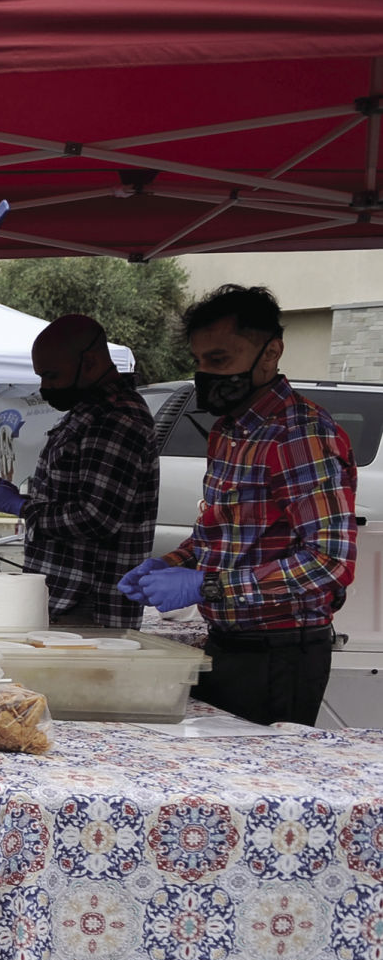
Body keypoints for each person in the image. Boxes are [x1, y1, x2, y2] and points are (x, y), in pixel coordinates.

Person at [119, 285, 357, 726]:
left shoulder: (300, 435)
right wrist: (168, 564)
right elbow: (222, 530)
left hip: (282, 652)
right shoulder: (230, 431)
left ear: (271, 353)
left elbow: (329, 561)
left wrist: (203, 586)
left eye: (220, 360)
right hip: (229, 643)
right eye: (200, 361)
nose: (205, 374)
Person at [0, 314, 160, 628]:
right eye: (41, 376)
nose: (45, 387)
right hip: (65, 596)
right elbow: (72, 497)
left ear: (91, 362)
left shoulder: (116, 419)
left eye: (52, 375)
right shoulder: (88, 413)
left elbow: (96, 518)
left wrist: (21, 506)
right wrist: (17, 496)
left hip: (89, 605)